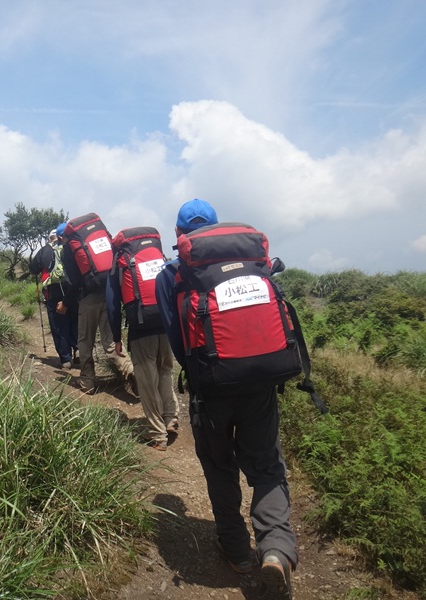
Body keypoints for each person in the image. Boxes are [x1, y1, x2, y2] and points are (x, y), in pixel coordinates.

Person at [155, 199, 296, 598]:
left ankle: (237, 551)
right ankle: (276, 548)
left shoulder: (173, 274)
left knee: (219, 466)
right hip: (261, 383)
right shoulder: (252, 263)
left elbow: (176, 337)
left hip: (211, 387)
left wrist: (202, 372)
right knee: (266, 466)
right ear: (217, 229)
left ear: (179, 235)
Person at [106, 236, 179, 451]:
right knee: (165, 372)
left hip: (141, 329)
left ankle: (157, 434)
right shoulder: (156, 257)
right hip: (165, 324)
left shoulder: (120, 262)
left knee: (147, 381)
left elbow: (112, 304)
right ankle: (170, 418)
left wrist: (117, 338)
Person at [57, 221, 134, 394]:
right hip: (109, 294)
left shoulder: (69, 249)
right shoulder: (95, 241)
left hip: (88, 298)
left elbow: (74, 282)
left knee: (85, 341)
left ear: (63, 238)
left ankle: (87, 381)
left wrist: (65, 303)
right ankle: (130, 370)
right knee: (111, 341)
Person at [29, 229, 78, 369]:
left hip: (54, 292)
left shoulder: (44, 251)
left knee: (59, 325)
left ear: (49, 238)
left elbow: (33, 269)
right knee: (75, 320)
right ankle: (78, 349)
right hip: (73, 290)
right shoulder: (70, 246)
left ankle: (66, 359)